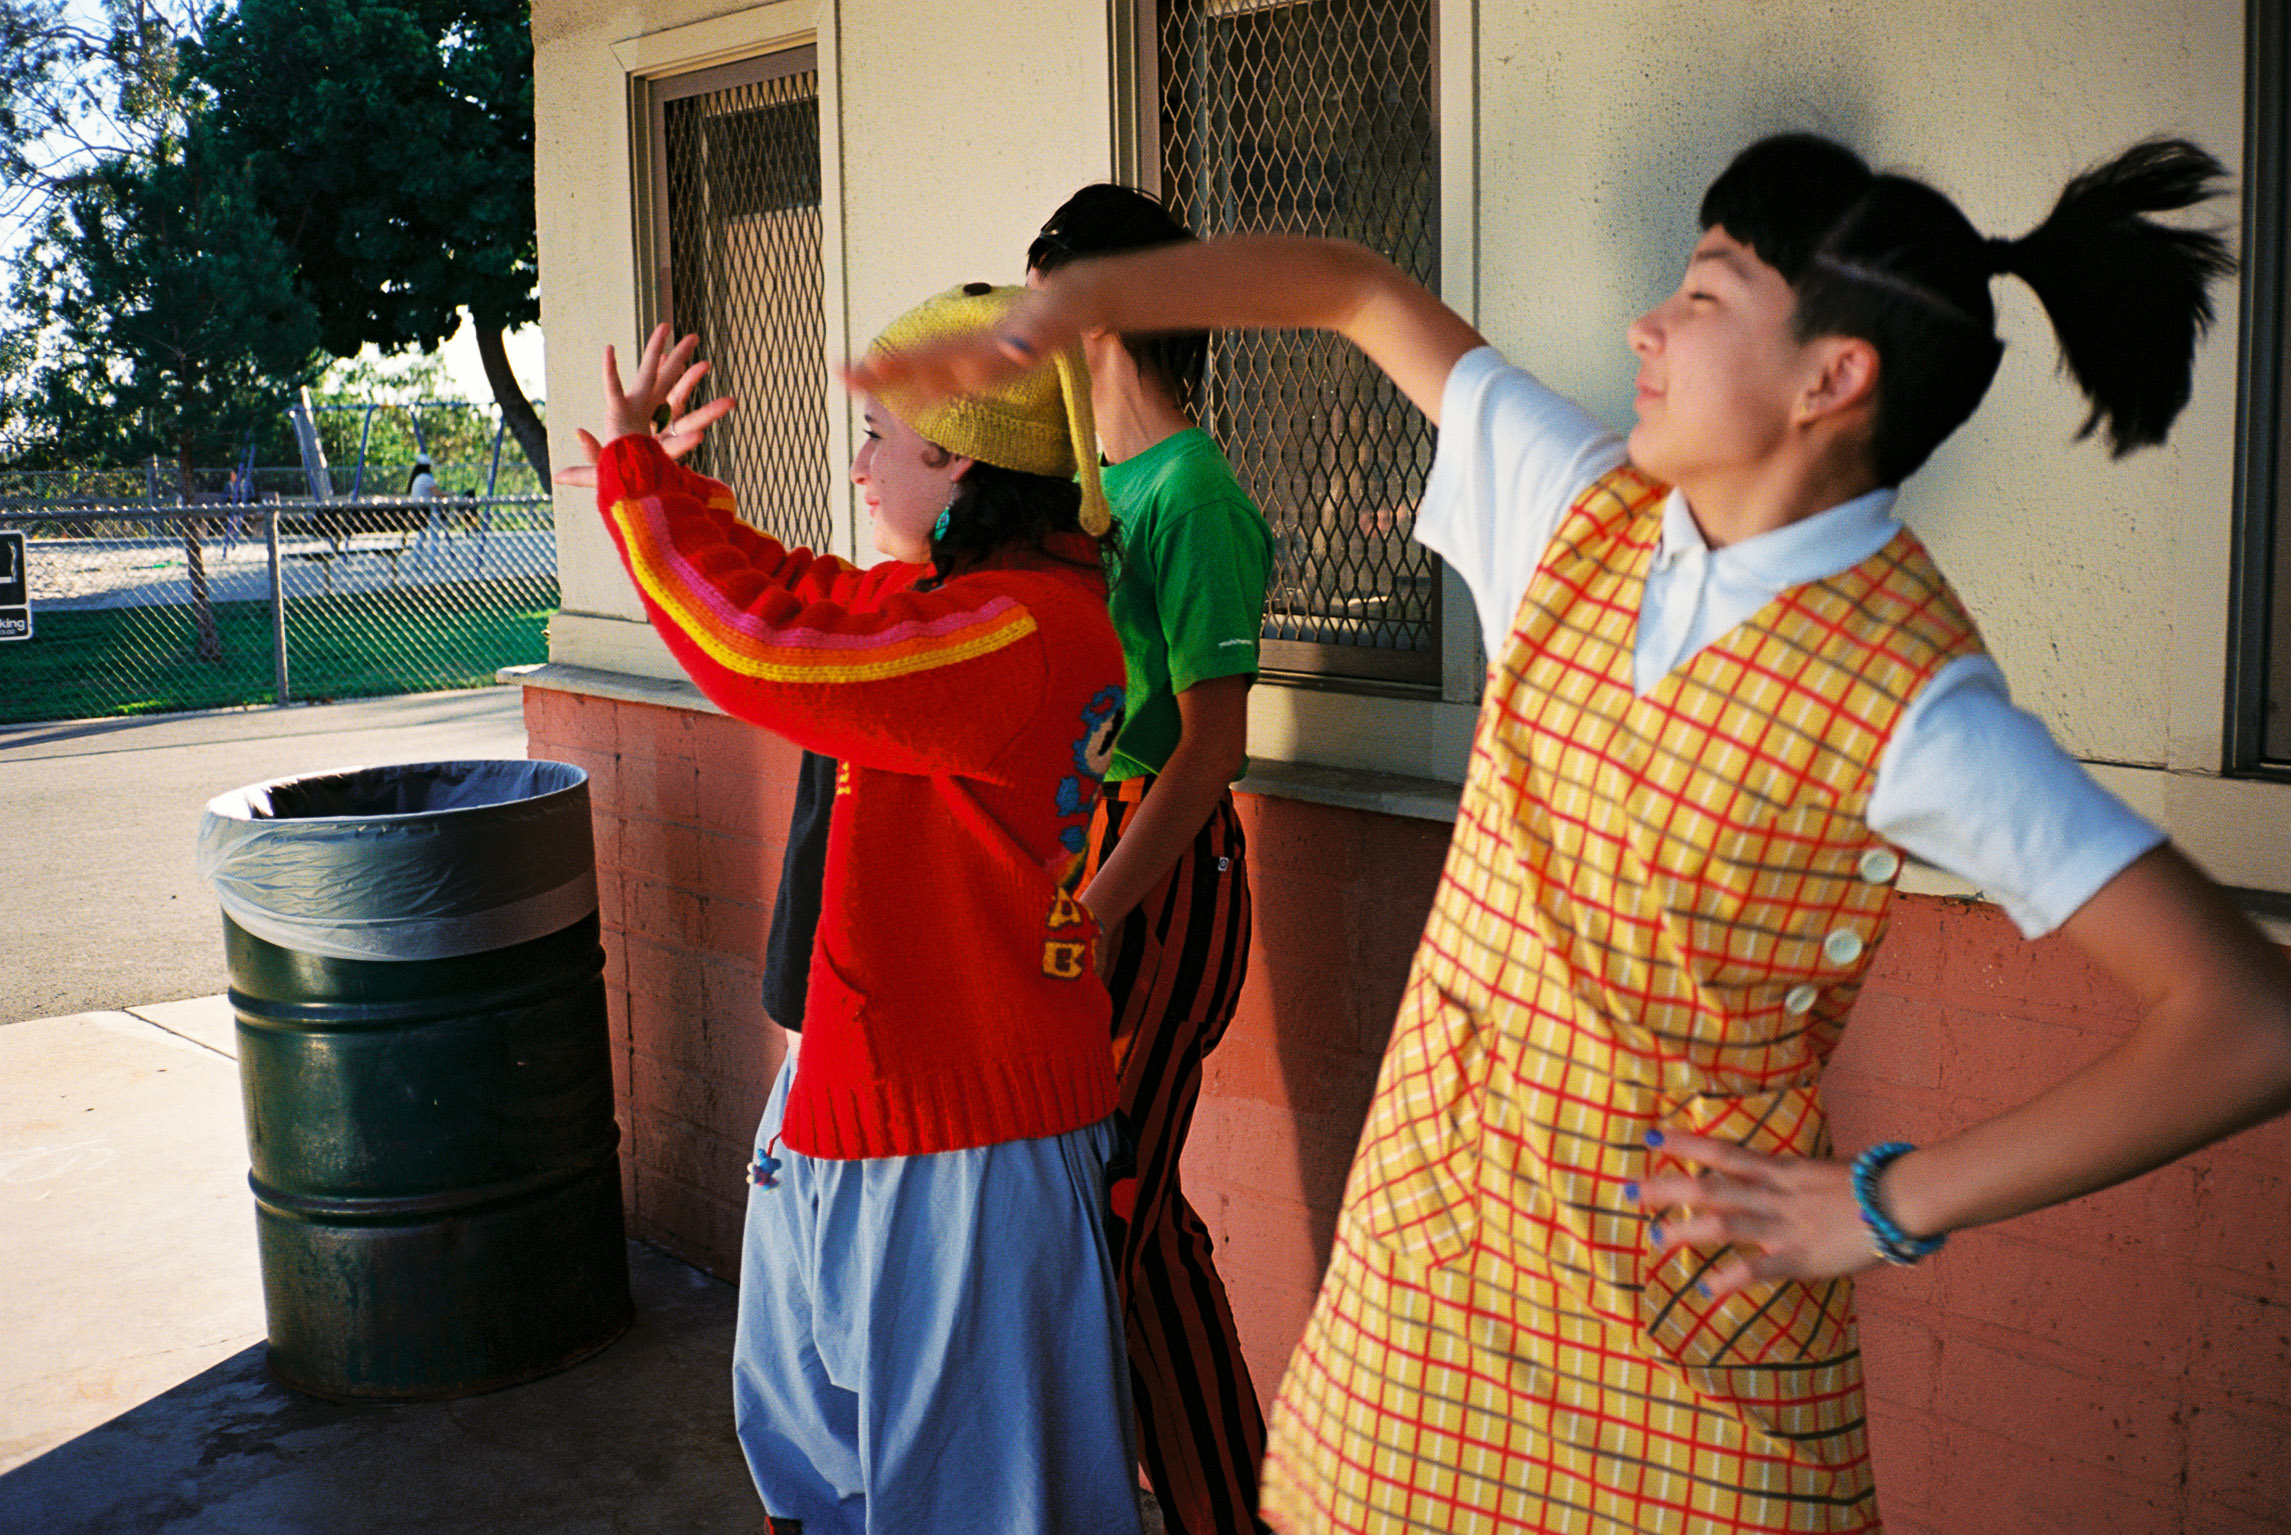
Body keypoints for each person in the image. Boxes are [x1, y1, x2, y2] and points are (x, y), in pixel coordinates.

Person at [847, 134, 2291, 1533]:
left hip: (1681, 1356)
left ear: (1831, 378)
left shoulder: (1908, 695)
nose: (1642, 322)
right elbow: (1353, 288)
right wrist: (1086, 303)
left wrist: (1883, 1201)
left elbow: (2244, 1021)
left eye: (1703, 294)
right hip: (1435, 1300)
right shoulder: (1581, 506)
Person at [561, 291, 1141, 1535]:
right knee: (844, 1439)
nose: (858, 457)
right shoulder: (999, 602)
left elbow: (767, 641)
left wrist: (639, 492)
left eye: (880, 431)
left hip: (956, 1125)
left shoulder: (1012, 630)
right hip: (911, 1091)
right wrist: (672, 492)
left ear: (960, 459)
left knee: (969, 1492)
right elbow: (811, 595)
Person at [1026, 183, 1277, 1535]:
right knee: (1092, 1209)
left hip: (1163, 870)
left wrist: (1091, 911)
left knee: (1113, 1205)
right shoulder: (1092, 492)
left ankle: (1222, 1507)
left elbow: (1206, 751)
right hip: (1095, 862)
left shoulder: (1191, 489)